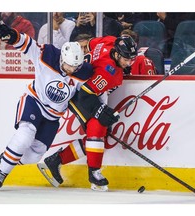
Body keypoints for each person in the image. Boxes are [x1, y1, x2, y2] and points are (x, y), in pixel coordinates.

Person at [0, 23, 94, 191]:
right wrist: (12, 35)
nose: (72, 70)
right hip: (34, 102)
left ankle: (6, 158)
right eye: (69, 66)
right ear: (62, 58)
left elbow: (91, 91)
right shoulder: (48, 55)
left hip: (53, 117)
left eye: (76, 67)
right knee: (25, 135)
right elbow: (26, 43)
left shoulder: (84, 71)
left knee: (34, 155)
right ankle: (1, 172)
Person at [38, 35, 138, 191]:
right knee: (97, 127)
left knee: (98, 134)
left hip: (87, 85)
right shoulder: (107, 71)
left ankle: (56, 160)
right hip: (77, 91)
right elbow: (85, 94)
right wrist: (100, 111)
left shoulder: (110, 41)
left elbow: (89, 43)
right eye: (126, 59)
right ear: (117, 54)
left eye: (131, 59)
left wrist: (123, 65)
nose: (128, 63)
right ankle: (94, 173)